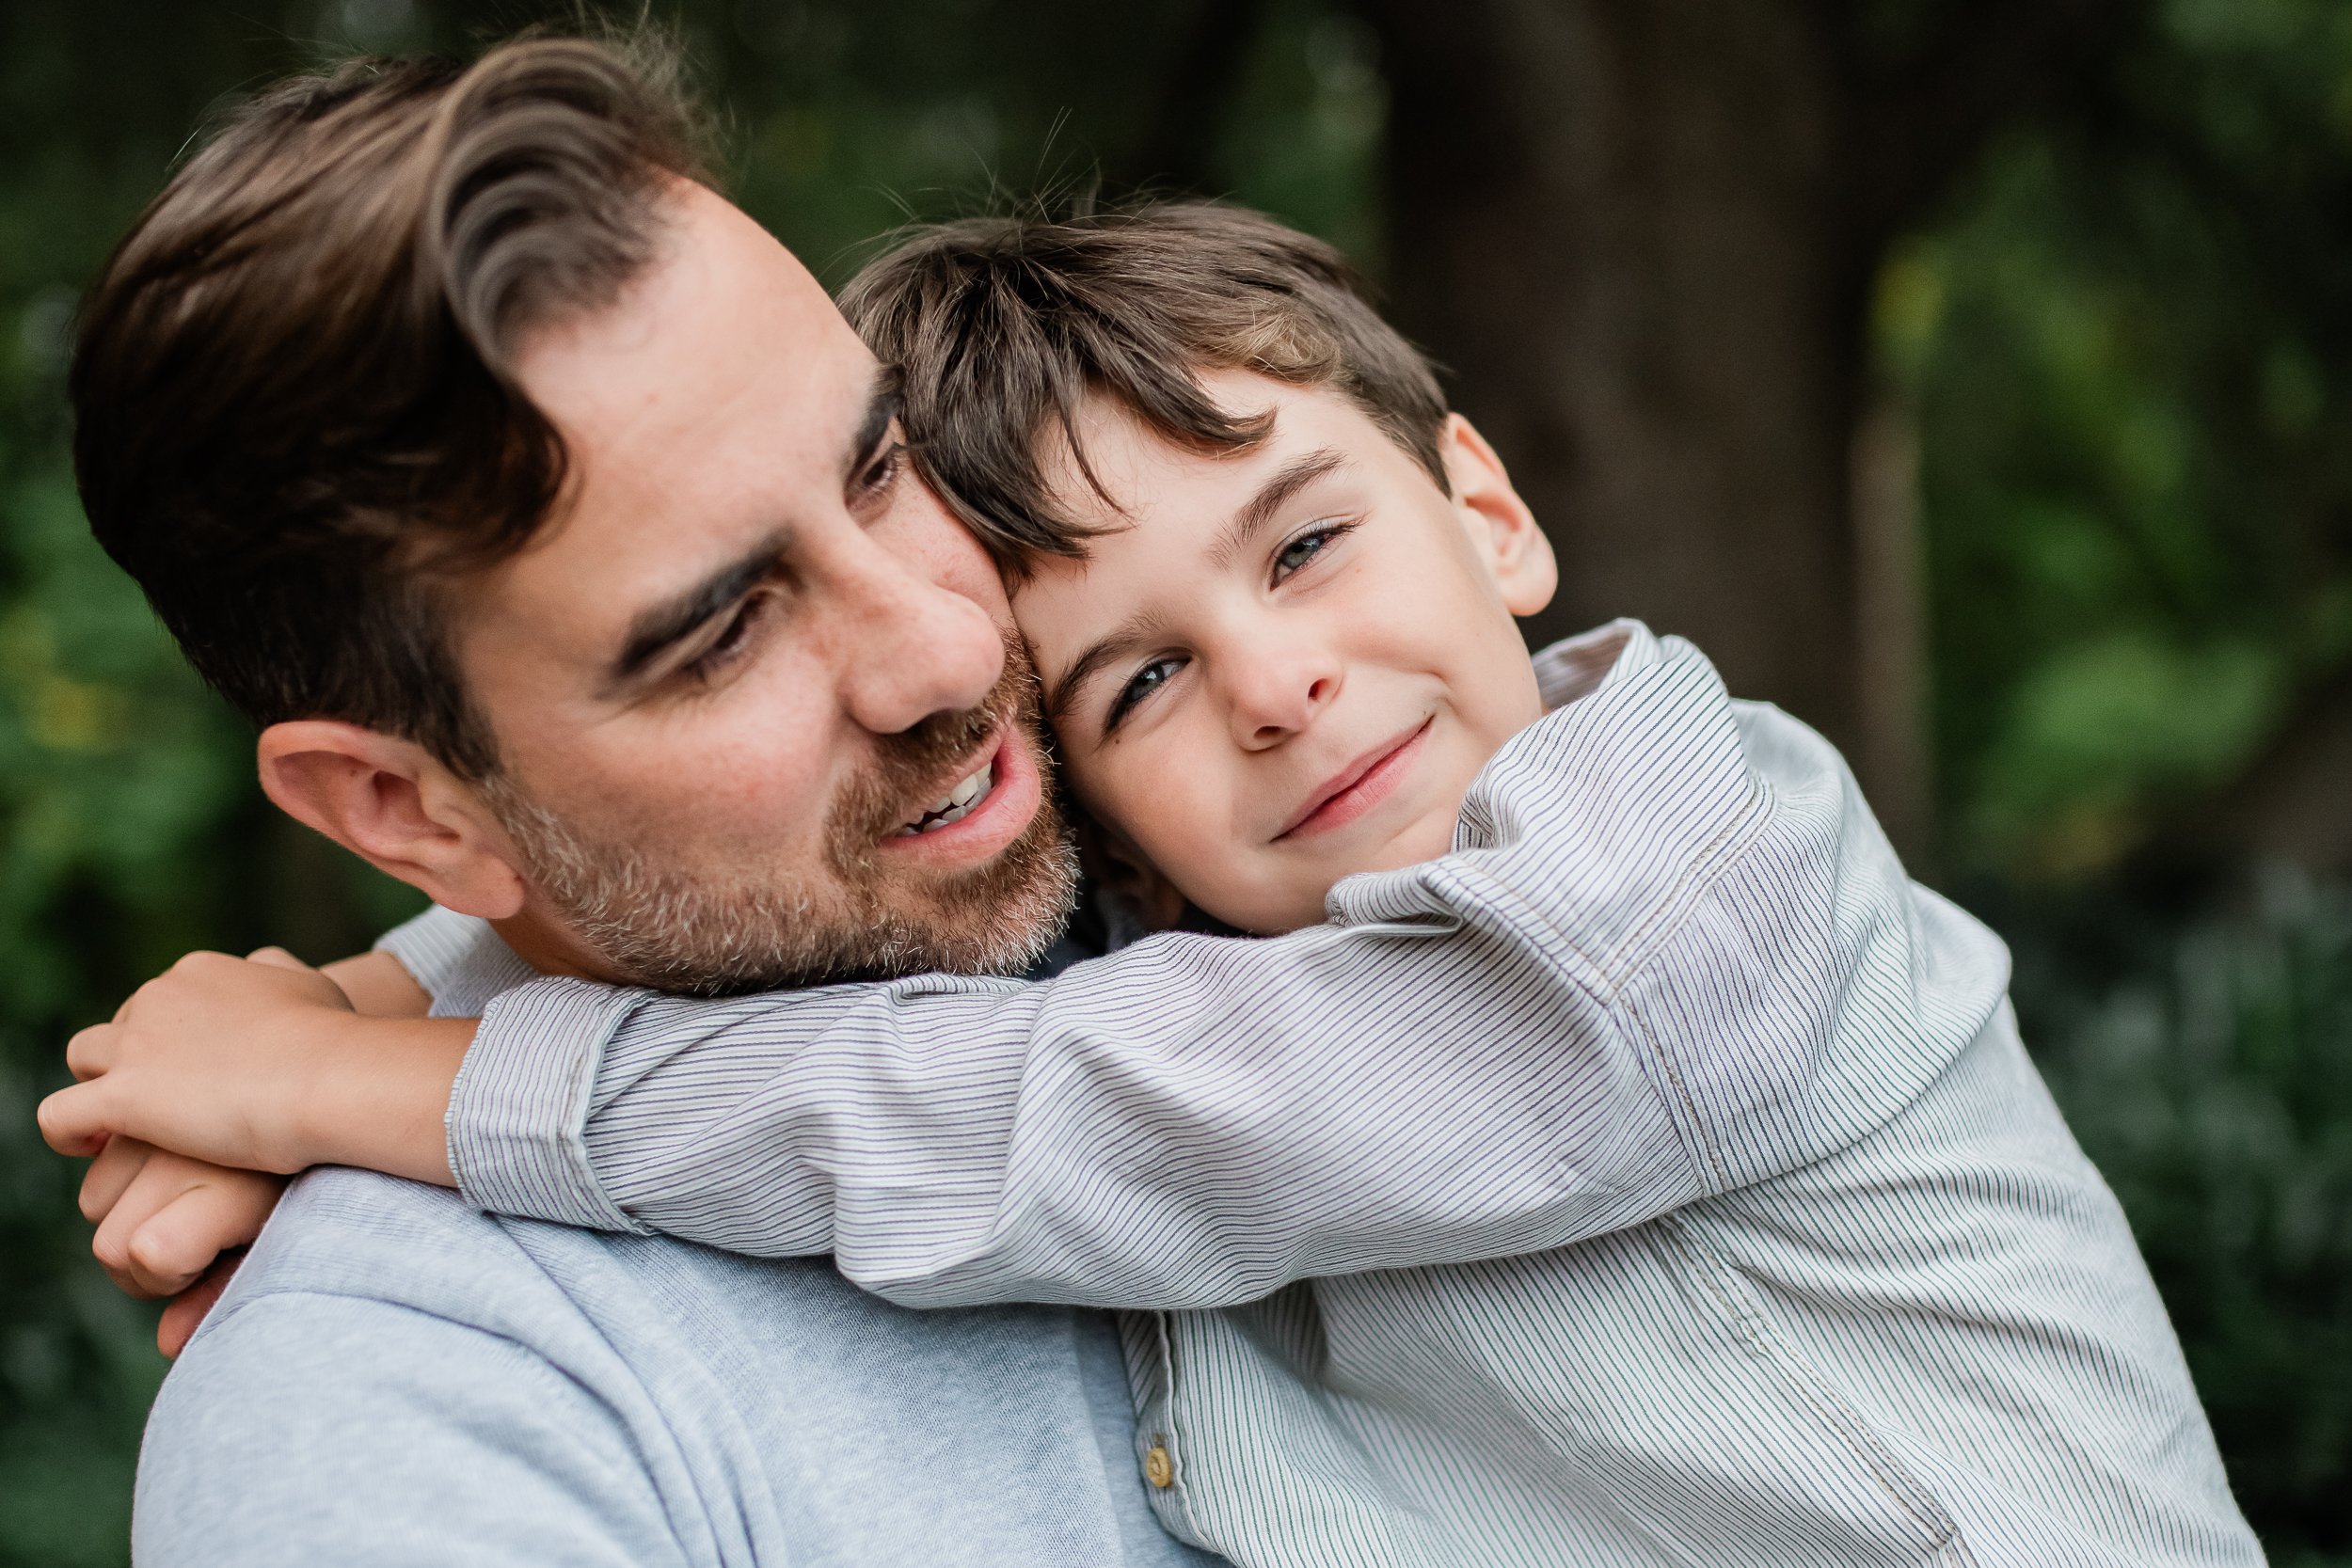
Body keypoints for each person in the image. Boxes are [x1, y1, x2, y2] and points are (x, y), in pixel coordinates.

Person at [51, 198, 2265, 1566]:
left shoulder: (1679, 877)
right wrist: (384, 990)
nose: (1280, 687)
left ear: (1480, 506)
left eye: (1305, 537)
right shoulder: (408, 1417)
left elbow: (1070, 1104)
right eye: (1128, 682)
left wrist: (396, 1079)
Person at [46, 34, 1224, 1568]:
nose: (942, 650)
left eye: (877, 467)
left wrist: (340, 1029)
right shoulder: (418, 1431)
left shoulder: (1193, 796)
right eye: (724, 633)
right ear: (407, 814)